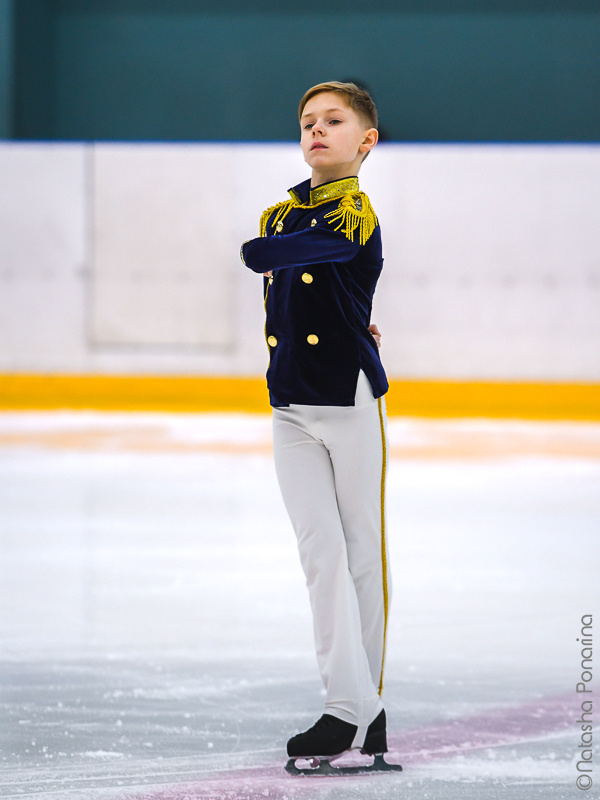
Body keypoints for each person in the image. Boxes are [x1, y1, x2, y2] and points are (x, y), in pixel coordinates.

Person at [240, 81, 397, 773]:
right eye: (307, 121)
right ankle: (348, 709)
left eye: (335, 121)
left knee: (362, 553)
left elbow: (272, 256)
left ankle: (365, 708)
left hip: (351, 400)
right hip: (291, 407)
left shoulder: (355, 212)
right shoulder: (281, 212)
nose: (317, 131)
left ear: (366, 141)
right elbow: (283, 287)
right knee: (319, 557)